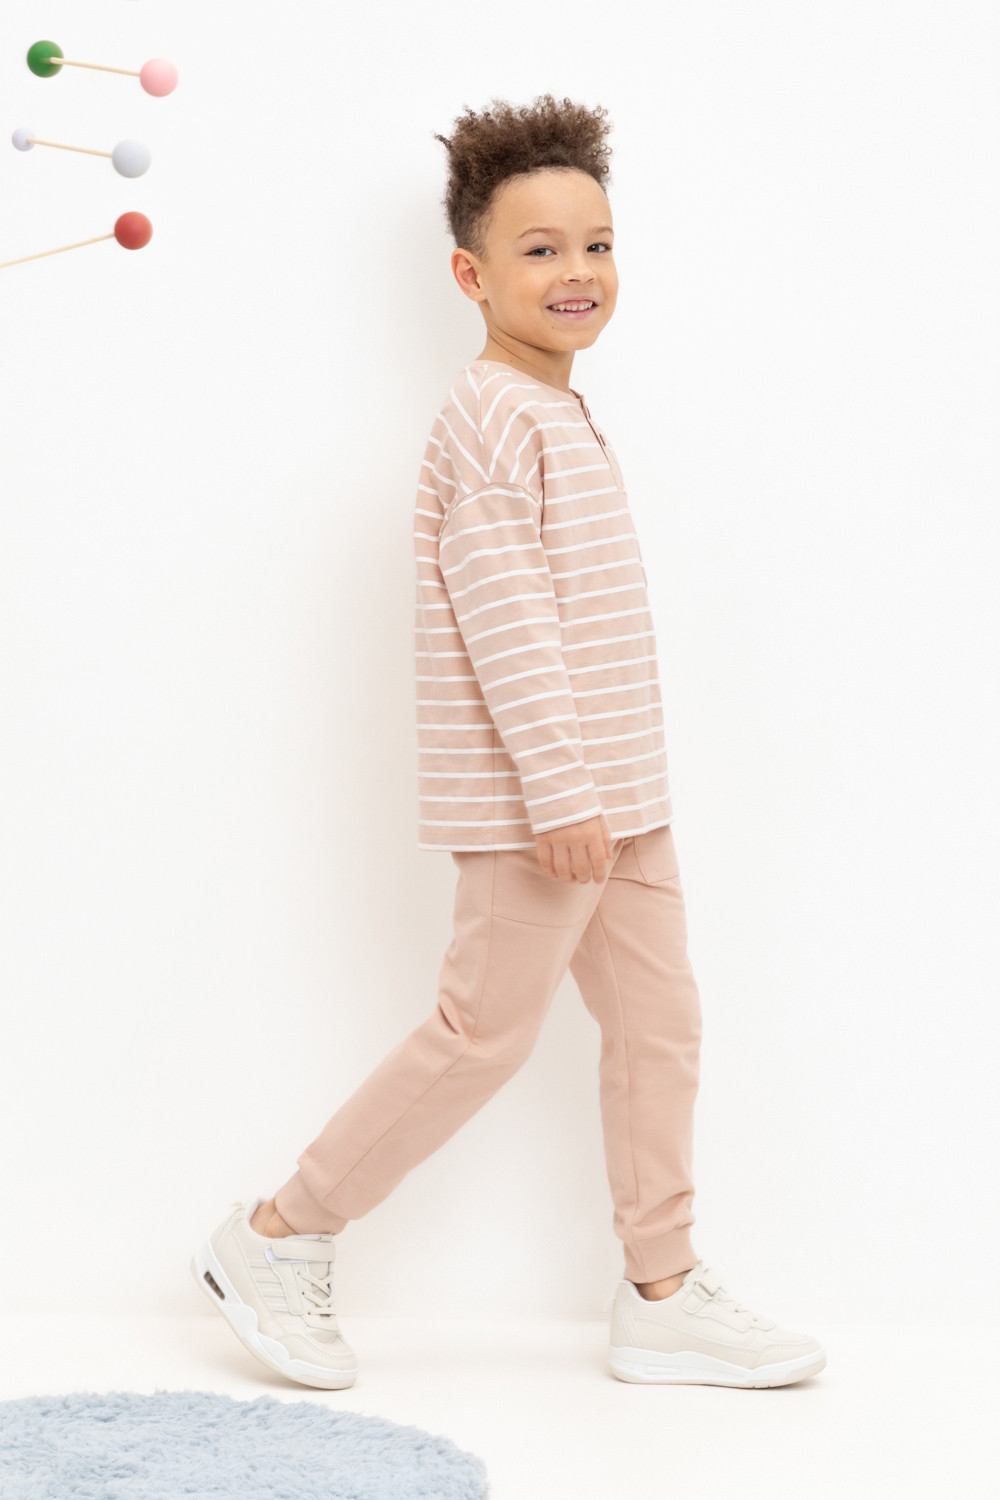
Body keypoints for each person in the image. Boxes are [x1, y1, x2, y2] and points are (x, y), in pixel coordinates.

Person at [192, 93, 826, 1391]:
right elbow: (509, 622)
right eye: (540, 250)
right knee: (481, 1034)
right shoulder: (490, 415)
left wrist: (611, 791)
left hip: (623, 799)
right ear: (471, 276)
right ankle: (278, 1233)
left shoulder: (559, 411)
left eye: (597, 244)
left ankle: (661, 1288)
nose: (577, 270)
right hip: (549, 806)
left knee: (662, 1027)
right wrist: (560, 788)